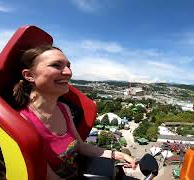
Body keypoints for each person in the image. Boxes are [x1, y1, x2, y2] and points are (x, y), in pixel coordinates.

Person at [12, 45, 136, 179]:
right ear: (29, 75)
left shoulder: (64, 109)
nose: (68, 72)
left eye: (68, 66)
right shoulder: (22, 121)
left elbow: (80, 146)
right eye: (56, 65)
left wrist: (117, 155)